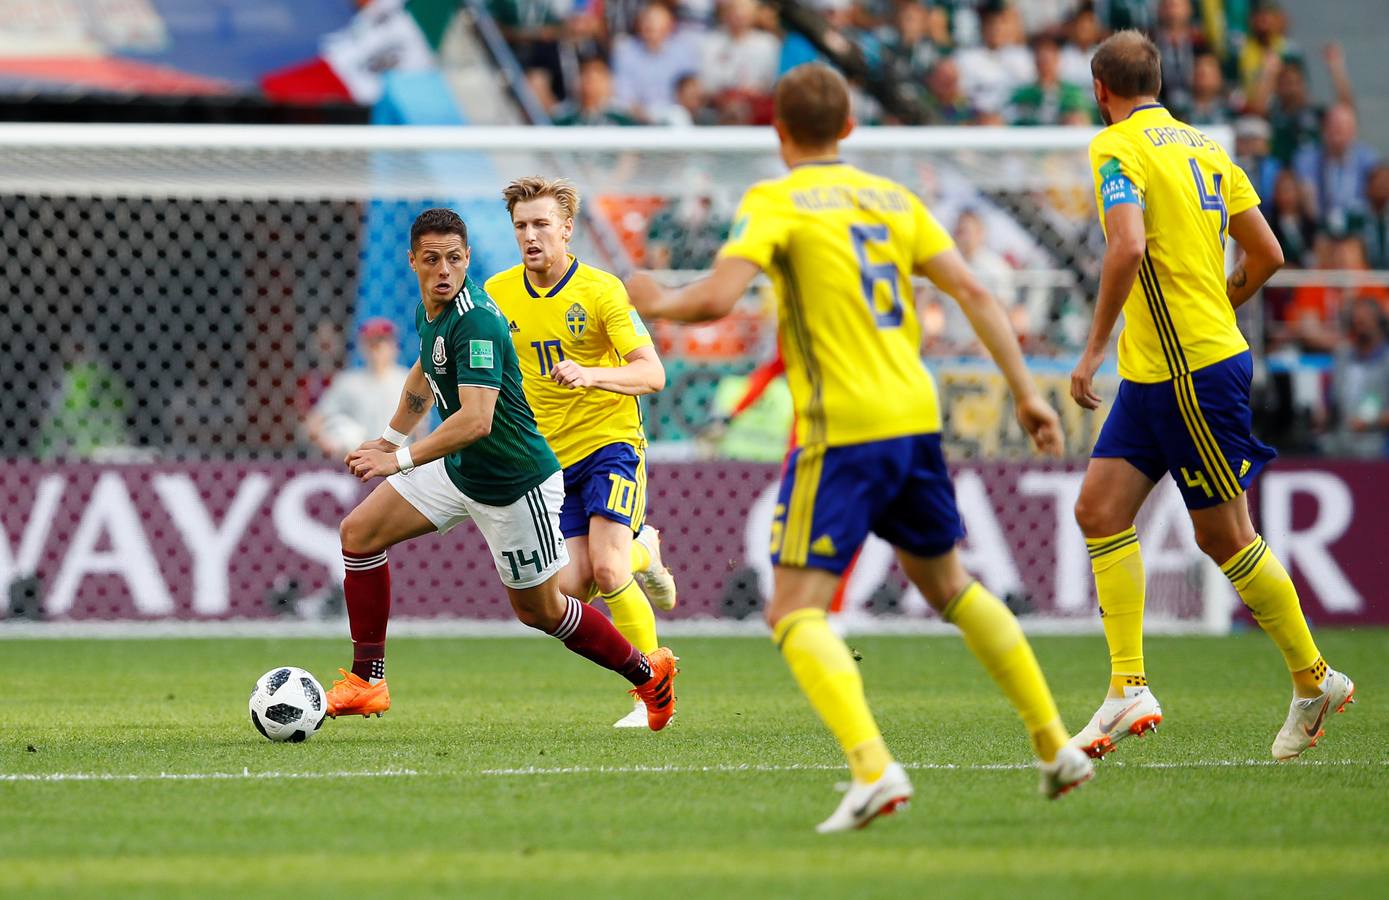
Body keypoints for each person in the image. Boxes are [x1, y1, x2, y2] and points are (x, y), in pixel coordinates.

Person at [625, 63, 1092, 833]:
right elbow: (974, 292)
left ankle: (873, 769)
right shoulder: (894, 198)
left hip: (841, 426)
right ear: (848, 129)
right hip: (914, 415)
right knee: (949, 584)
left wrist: (656, 300)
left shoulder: (775, 200)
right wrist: (1027, 391)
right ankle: (1053, 744)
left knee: (792, 610)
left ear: (778, 136)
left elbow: (714, 297)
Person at [1067, 31, 1355, 762]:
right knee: (1098, 508)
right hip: (1159, 370)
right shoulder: (1202, 145)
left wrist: (1093, 346)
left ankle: (1313, 677)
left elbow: (1126, 246)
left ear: (1100, 89)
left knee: (1223, 535)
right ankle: (1127, 684)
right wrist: (1221, 301)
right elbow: (1267, 254)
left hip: (1186, 369)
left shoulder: (1116, 147)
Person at [325, 208, 678, 732]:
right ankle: (367, 681)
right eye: (431, 260)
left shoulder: (479, 320)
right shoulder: (430, 311)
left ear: (467, 259)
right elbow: (423, 376)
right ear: (412, 262)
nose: (444, 270)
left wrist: (396, 460)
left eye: (453, 259)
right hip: (459, 470)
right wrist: (391, 436)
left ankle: (649, 675)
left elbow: (475, 421)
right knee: (358, 533)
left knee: (545, 610)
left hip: (514, 485)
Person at [486, 178, 679, 729]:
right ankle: (646, 549)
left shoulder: (601, 291)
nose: (531, 235)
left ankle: (651, 692)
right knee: (566, 591)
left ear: (567, 228)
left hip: (608, 446)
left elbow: (653, 373)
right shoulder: (498, 294)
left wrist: (592, 374)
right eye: (521, 226)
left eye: (542, 224)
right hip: (548, 463)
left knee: (609, 566)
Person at [305, 318, 411, 460]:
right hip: (359, 462)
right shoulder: (348, 381)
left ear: (393, 346)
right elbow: (314, 422)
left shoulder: (407, 379)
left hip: (396, 462)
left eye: (381, 342)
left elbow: (420, 429)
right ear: (362, 346)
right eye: (371, 343)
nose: (376, 348)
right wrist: (330, 444)